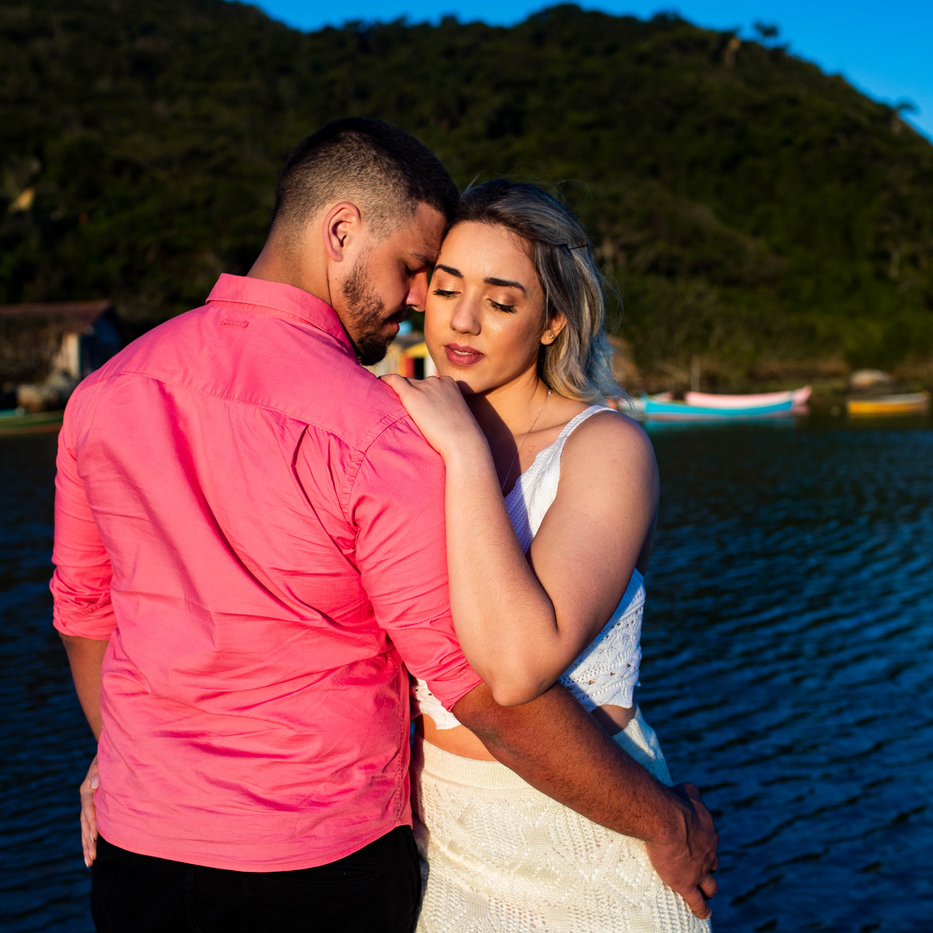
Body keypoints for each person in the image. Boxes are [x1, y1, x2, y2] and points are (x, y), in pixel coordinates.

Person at [56, 119, 717, 932]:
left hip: (146, 850)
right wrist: (664, 818)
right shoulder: (379, 430)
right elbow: (481, 690)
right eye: (424, 274)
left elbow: (85, 613)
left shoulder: (103, 392)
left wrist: (123, 757)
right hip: (327, 862)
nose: (426, 307)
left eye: (497, 298)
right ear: (341, 231)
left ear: (551, 318)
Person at [381, 179, 713, 932]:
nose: (463, 320)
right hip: (448, 843)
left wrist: (465, 448)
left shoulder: (605, 448)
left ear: (553, 320)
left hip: (592, 843)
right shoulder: (404, 437)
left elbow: (519, 664)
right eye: (446, 289)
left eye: (501, 302)